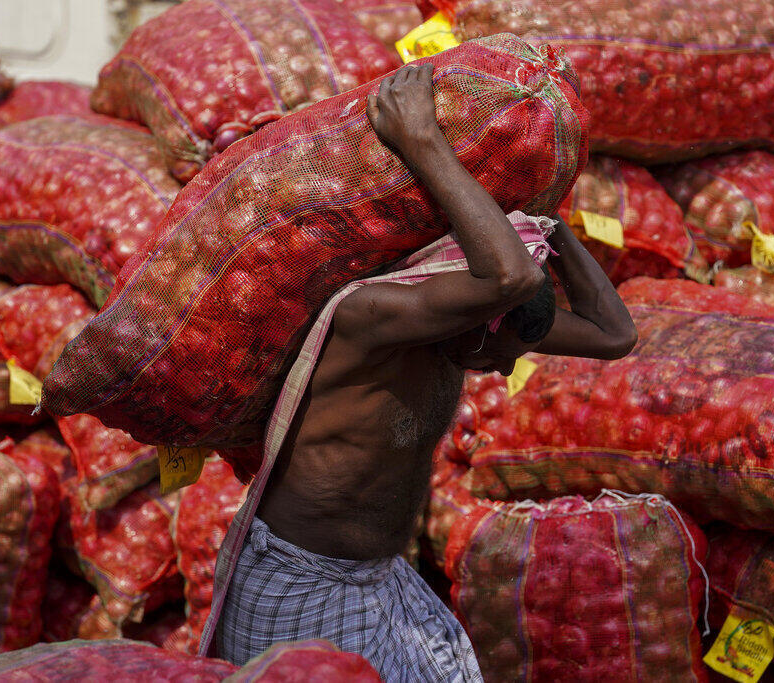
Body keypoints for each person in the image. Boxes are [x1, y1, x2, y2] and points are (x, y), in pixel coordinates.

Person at [216, 63, 638, 681]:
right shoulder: (372, 317)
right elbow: (510, 278)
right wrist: (422, 141)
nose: (500, 372)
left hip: (380, 582)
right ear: (478, 317)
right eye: (501, 357)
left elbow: (614, 333)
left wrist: (548, 219)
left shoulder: (473, 326)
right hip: (300, 587)